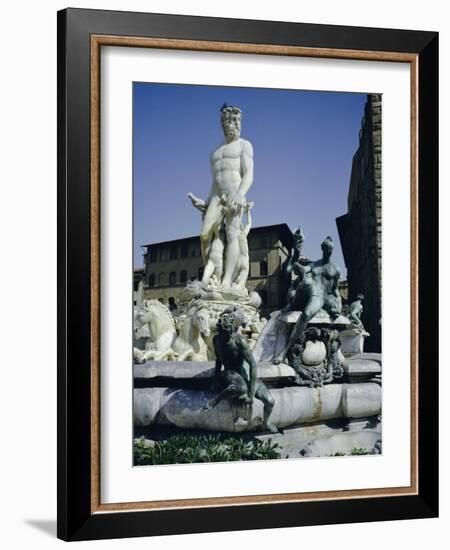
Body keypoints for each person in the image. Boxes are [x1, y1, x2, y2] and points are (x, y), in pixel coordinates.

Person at [188, 104, 254, 289]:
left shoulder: (244, 145)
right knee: (204, 234)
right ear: (223, 124)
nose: (233, 124)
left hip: (235, 193)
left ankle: (227, 280)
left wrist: (240, 194)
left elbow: (249, 174)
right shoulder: (215, 153)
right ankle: (215, 275)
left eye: (236, 121)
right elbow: (216, 181)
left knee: (233, 234)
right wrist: (206, 202)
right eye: (229, 121)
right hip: (217, 196)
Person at [203, 307, 277, 433]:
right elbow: (218, 361)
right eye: (222, 331)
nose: (226, 335)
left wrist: (252, 393)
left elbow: (253, 365)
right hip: (230, 374)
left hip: (245, 374)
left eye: (228, 331)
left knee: (270, 401)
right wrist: (216, 378)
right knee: (241, 388)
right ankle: (214, 401)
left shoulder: (240, 341)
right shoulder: (216, 340)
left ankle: (266, 422)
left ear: (233, 328)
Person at [274, 236, 342, 364]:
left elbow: (335, 290)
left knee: (306, 314)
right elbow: (298, 269)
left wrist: (338, 303)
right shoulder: (314, 264)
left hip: (322, 297)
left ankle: (284, 352)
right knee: (307, 282)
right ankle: (292, 305)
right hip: (311, 291)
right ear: (322, 249)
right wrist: (297, 252)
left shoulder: (335, 269)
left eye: (331, 249)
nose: (329, 251)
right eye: (327, 249)